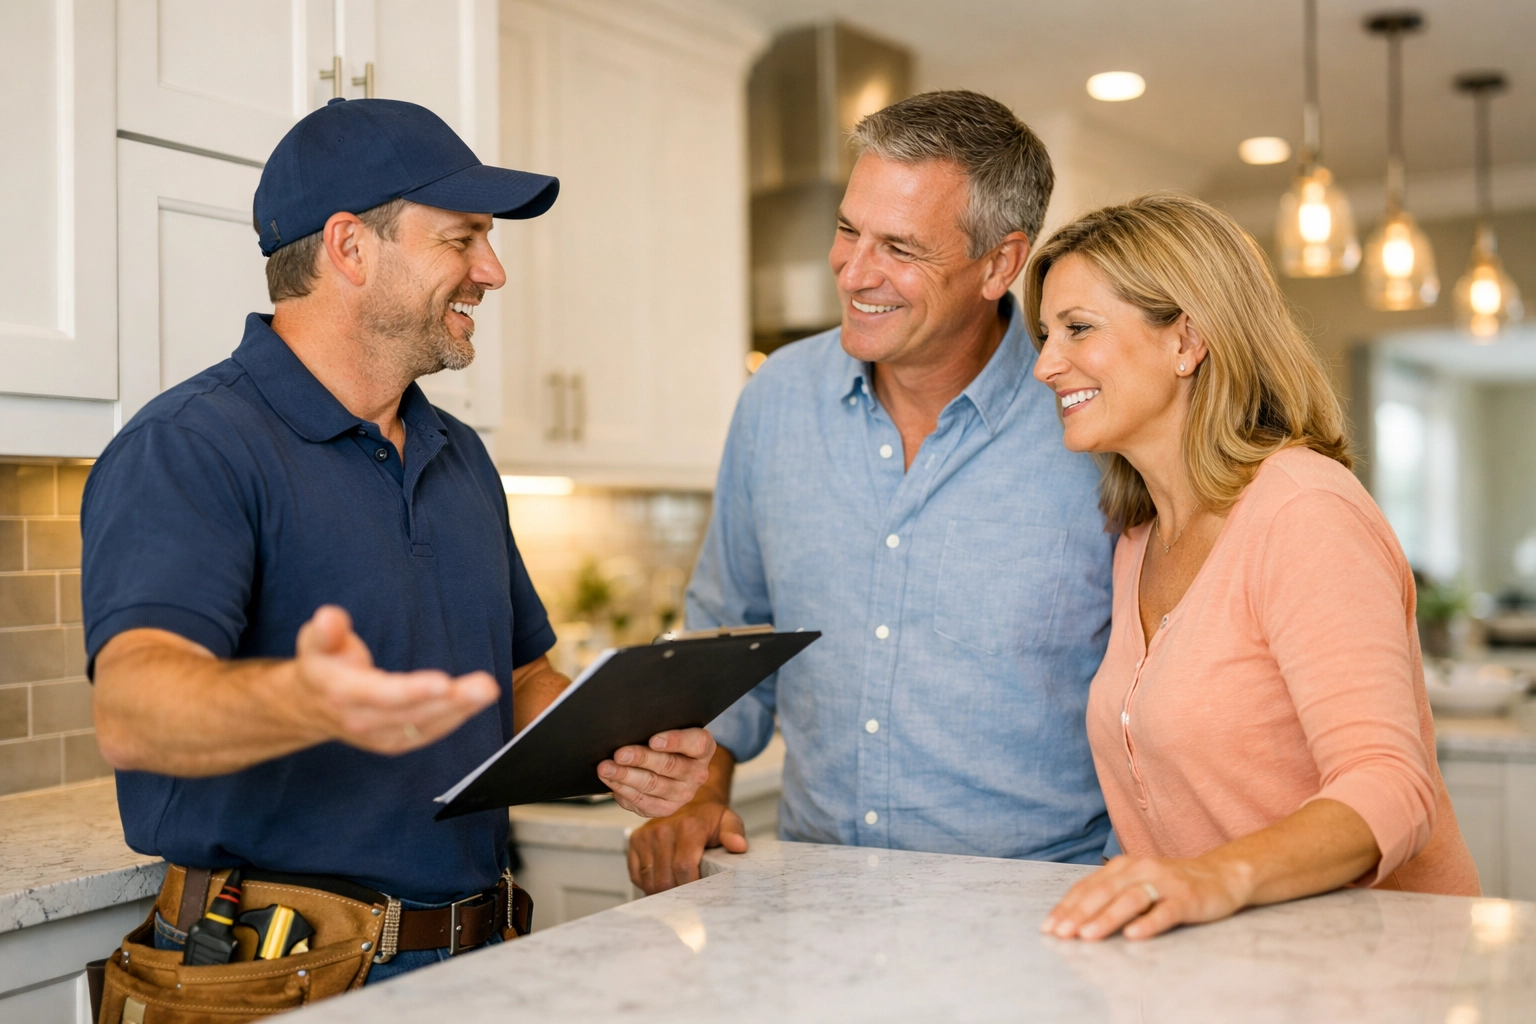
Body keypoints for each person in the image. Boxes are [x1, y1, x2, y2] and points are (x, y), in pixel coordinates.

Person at [82, 98, 715, 984]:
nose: (491, 271)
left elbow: (522, 677)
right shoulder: (191, 445)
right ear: (350, 246)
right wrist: (305, 701)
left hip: (481, 960)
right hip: (277, 977)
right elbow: (133, 706)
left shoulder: (459, 456)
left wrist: (617, 751)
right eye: (461, 240)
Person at [628, 90, 1115, 894]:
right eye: (849, 229)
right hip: (818, 902)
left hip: (1034, 913)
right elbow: (726, 638)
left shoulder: (1091, 426)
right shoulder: (777, 398)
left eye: (900, 247)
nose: (854, 272)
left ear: (1000, 263)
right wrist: (695, 796)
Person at [1028, 193, 1479, 942]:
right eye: (1045, 334)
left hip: (1383, 971)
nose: (1045, 364)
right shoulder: (1140, 538)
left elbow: (1392, 785)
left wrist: (1213, 877)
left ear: (1188, 340)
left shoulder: (1303, 510)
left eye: (1077, 329)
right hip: (1229, 972)